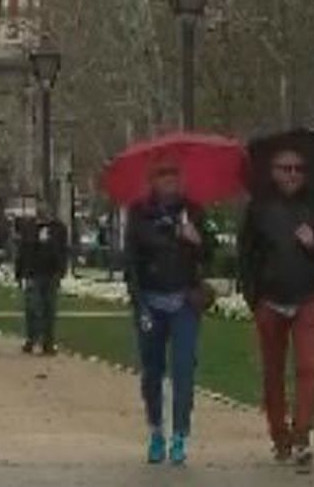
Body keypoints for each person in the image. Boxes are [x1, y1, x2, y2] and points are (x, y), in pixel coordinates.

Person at [238, 146, 314, 473]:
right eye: (286, 168)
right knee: (273, 372)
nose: (293, 174)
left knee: (309, 367)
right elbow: (246, 255)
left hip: (308, 297)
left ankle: (302, 437)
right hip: (270, 300)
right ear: (273, 172)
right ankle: (279, 435)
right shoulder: (259, 208)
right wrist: (253, 297)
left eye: (299, 168)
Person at [125, 161, 212, 466]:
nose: (170, 182)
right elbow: (132, 261)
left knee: (184, 368)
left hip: (184, 301)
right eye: (163, 176)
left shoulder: (194, 212)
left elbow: (210, 255)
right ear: (153, 180)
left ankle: (180, 434)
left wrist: (196, 239)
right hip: (151, 300)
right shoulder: (139, 213)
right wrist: (139, 303)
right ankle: (156, 431)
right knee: (152, 371)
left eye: (175, 176)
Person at [14, 202, 68, 356]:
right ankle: (32, 338)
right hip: (33, 273)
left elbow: (63, 250)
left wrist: (61, 270)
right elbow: (22, 251)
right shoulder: (29, 227)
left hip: (51, 273)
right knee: (33, 307)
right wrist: (19, 272)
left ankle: (48, 342)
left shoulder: (59, 228)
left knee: (49, 309)